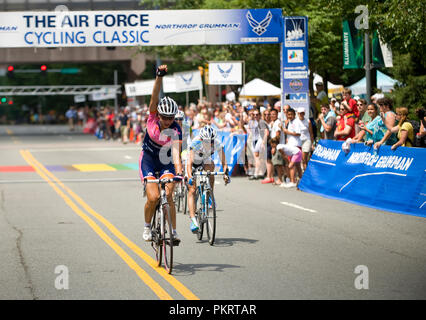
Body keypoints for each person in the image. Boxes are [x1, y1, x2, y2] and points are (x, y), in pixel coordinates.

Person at [140, 64, 183, 244]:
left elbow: (175, 154)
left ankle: (173, 232)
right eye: (164, 117)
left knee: (169, 195)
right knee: (154, 197)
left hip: (166, 162)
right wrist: (159, 77)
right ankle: (147, 226)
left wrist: (179, 173)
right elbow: (154, 96)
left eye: (171, 118)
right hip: (149, 160)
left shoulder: (176, 129)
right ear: (158, 115)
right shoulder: (152, 118)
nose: (167, 121)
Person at [186, 125, 230, 233]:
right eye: (206, 141)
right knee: (192, 189)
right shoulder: (195, 143)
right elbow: (189, 164)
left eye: (211, 141)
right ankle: (193, 220)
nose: (209, 143)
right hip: (194, 162)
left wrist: (226, 174)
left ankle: (210, 194)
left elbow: (224, 162)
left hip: (205, 160)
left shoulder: (217, 143)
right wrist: (191, 177)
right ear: (201, 139)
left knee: (211, 167)